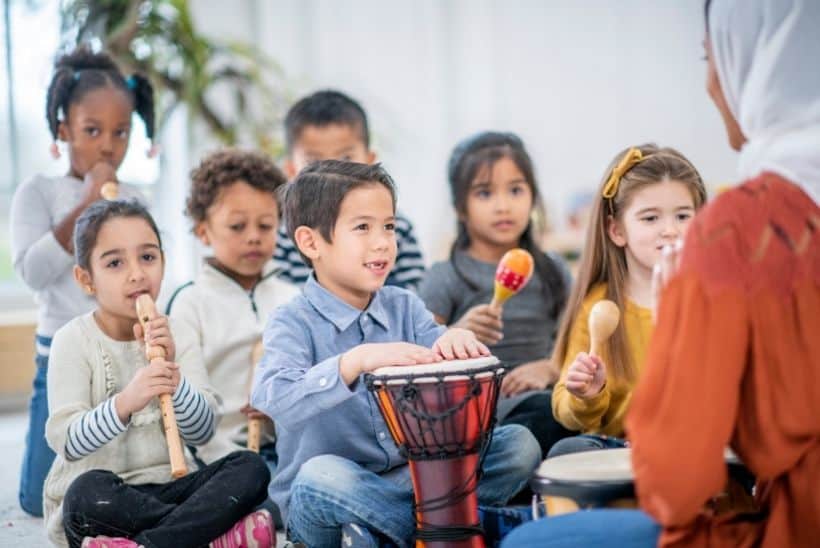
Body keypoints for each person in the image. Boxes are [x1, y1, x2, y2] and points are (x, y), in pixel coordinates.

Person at [501, 0, 820, 546]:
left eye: (710, 58)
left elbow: (675, 483)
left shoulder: (743, 232)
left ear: (755, 62)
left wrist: (683, 330)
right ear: (617, 228)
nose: (711, 85)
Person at [252, 160, 541, 547]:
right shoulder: (291, 321)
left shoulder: (404, 306)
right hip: (335, 492)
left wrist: (454, 344)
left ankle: (394, 532)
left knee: (519, 445)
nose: (382, 242)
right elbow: (273, 396)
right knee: (320, 476)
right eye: (362, 227)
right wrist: (355, 361)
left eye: (388, 226)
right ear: (310, 243)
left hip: (413, 480)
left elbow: (438, 348)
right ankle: (446, 526)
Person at [44, 199, 274, 548]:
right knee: (85, 497)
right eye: (115, 263)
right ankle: (205, 537)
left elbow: (201, 431)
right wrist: (124, 403)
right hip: (108, 497)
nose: (137, 273)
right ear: (86, 279)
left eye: (148, 257)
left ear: (164, 263)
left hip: (171, 488)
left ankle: (150, 543)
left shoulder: (178, 333)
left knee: (250, 468)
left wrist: (176, 382)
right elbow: (67, 441)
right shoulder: (73, 340)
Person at [9, 45, 154, 516]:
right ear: (63, 129)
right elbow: (32, 271)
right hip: (59, 362)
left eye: (120, 132)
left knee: (128, 469)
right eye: (92, 131)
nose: (108, 146)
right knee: (37, 500)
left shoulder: (134, 199)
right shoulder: (40, 192)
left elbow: (144, 276)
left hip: (123, 361)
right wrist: (87, 205)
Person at [418, 131, 573, 456]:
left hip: (547, 398)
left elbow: (579, 339)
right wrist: (455, 334)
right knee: (543, 426)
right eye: (485, 193)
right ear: (461, 207)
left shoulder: (553, 271)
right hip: (479, 412)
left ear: (533, 196)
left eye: (515, 190)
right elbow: (418, 361)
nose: (503, 206)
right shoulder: (445, 278)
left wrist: (550, 366)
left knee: (563, 418)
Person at [166, 149, 299, 523]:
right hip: (214, 458)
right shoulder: (189, 303)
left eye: (266, 226)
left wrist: (282, 405)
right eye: (237, 227)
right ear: (203, 230)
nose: (254, 238)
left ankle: (257, 518)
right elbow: (184, 403)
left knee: (318, 486)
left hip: (284, 451)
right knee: (243, 491)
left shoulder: (294, 298)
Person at [548, 144, 706, 458]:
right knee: (568, 450)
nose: (671, 230)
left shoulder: (714, 301)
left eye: (683, 216)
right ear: (617, 230)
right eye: (650, 218)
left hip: (693, 447)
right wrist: (584, 395)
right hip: (619, 452)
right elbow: (566, 412)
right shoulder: (598, 307)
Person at [273, 89, 425, 289]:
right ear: (292, 170)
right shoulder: (281, 236)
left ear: (370, 161)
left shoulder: (396, 227)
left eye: (346, 158)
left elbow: (415, 296)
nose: (333, 170)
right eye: (314, 161)